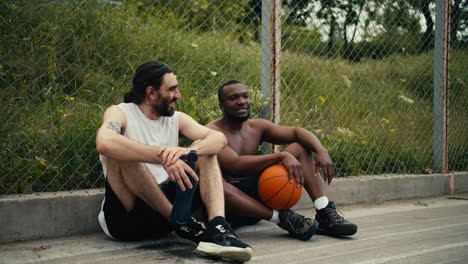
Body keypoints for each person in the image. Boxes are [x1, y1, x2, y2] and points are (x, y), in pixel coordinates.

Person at [95, 63, 252, 262]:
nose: (178, 95)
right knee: (120, 152)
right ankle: (184, 224)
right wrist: (162, 156)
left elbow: (218, 139)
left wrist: (186, 152)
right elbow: (104, 142)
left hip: (166, 218)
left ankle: (218, 229)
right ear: (151, 93)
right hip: (125, 221)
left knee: (206, 152)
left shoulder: (177, 119)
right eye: (172, 89)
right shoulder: (120, 112)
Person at [206, 80, 358, 240]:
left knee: (300, 147)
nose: (242, 101)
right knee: (216, 183)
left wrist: (321, 150)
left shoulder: (256, 127)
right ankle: (283, 218)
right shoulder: (211, 131)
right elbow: (235, 165)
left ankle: (324, 210)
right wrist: (280, 156)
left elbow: (297, 132)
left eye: (245, 96)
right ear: (222, 105)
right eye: (234, 97)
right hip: (229, 207)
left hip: (261, 198)